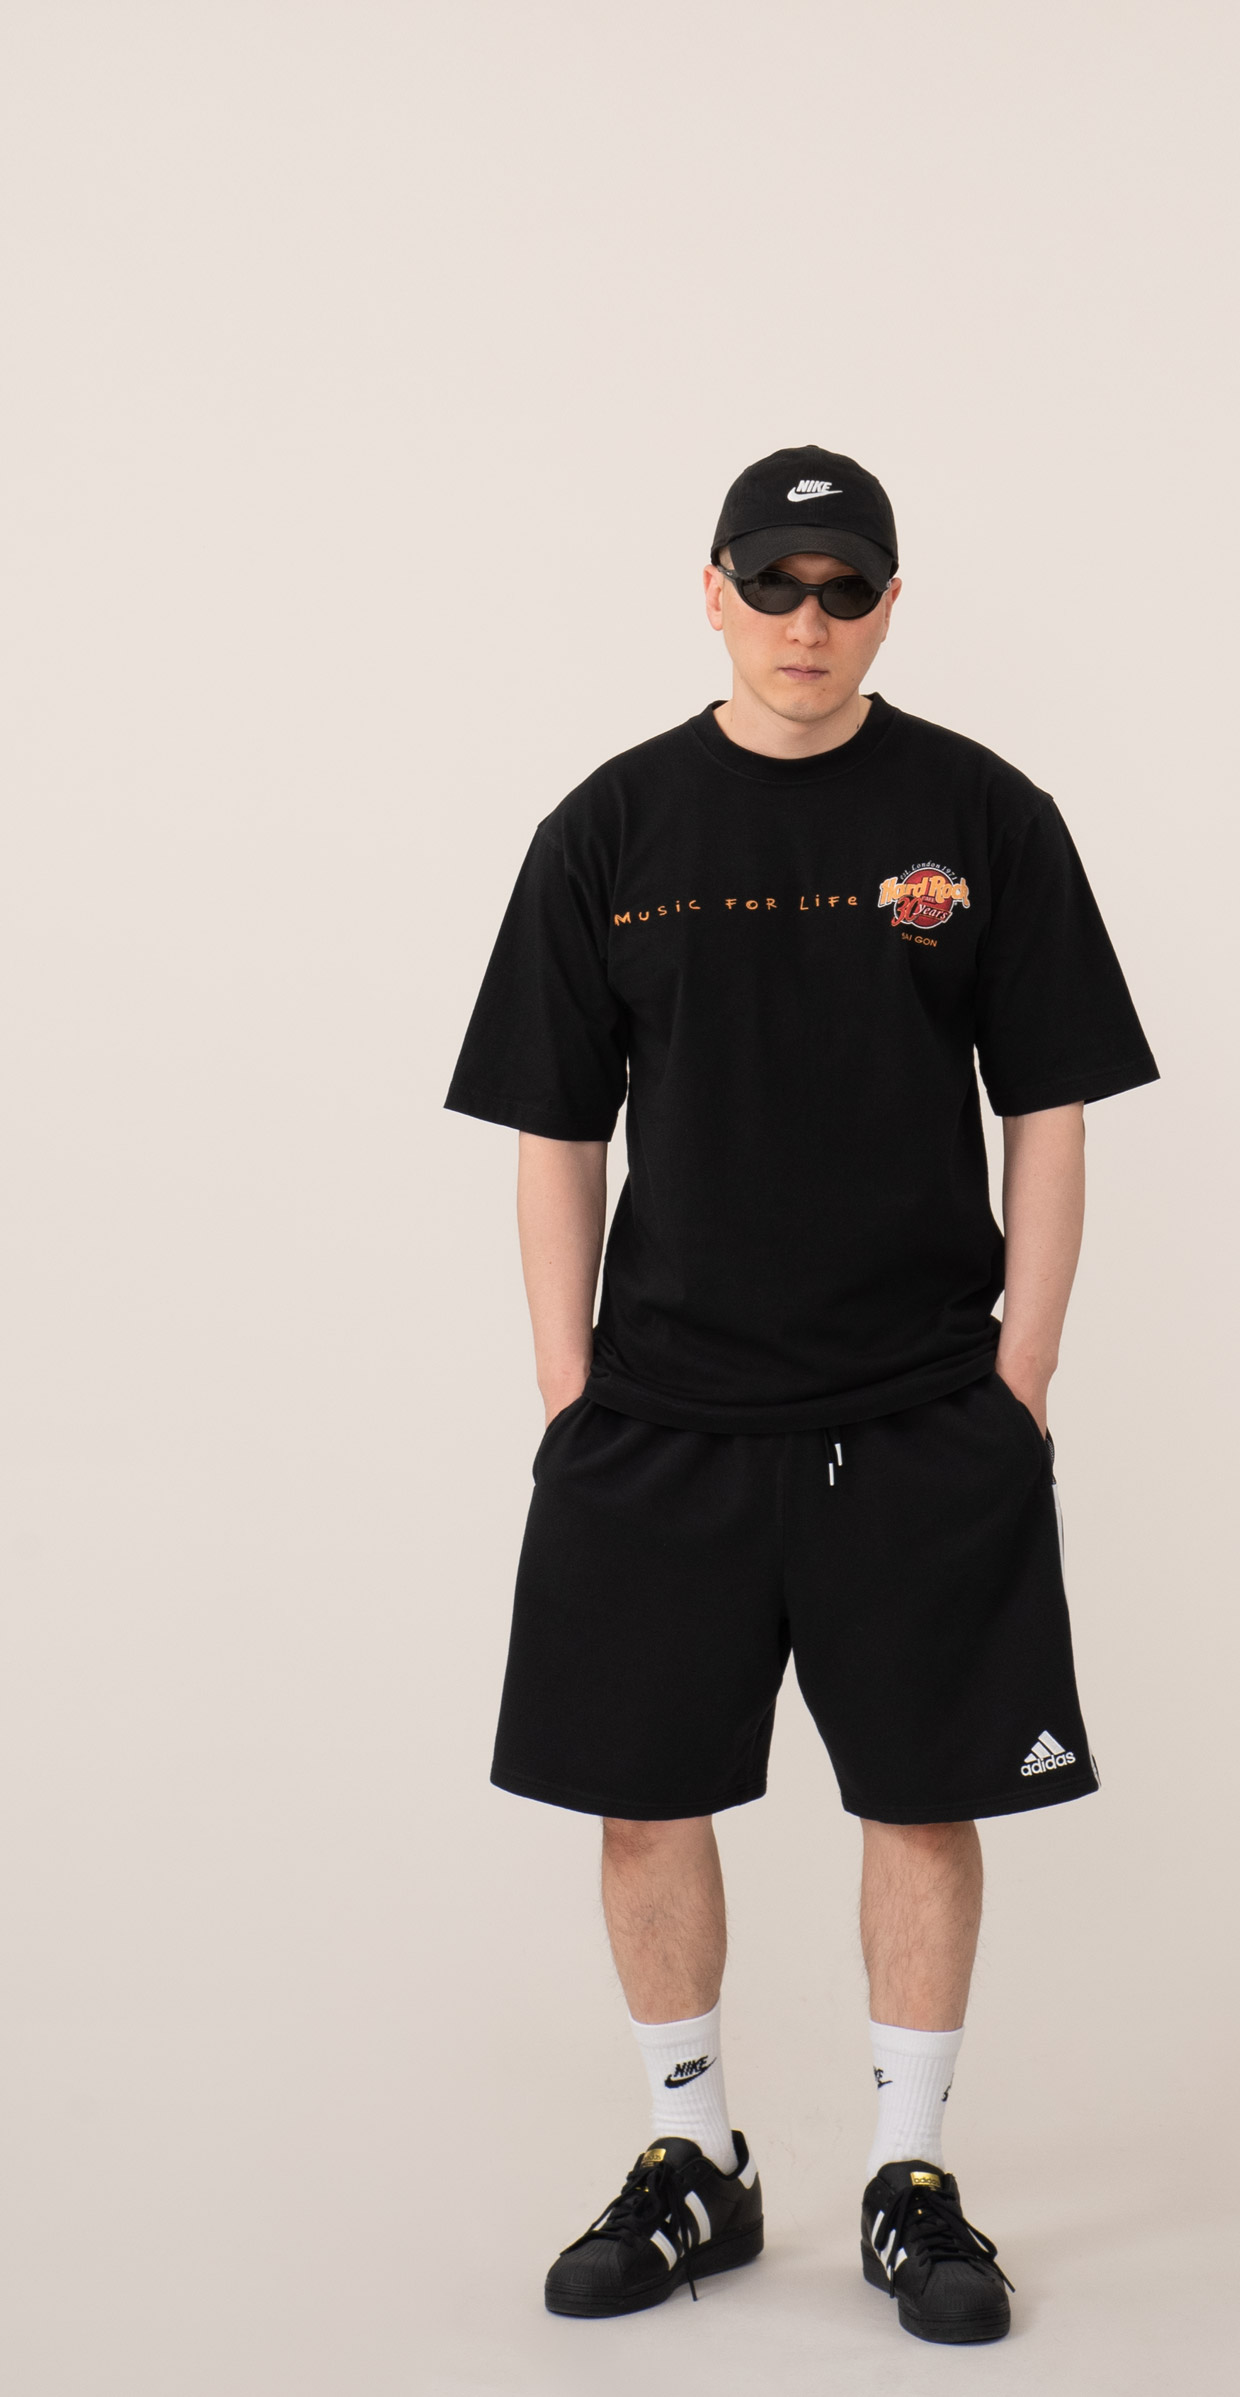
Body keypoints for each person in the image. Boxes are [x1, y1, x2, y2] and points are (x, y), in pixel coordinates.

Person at [444, 444, 1158, 2346]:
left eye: (846, 588)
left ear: (891, 605)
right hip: (661, 1415)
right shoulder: (610, 827)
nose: (808, 621)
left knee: (923, 1801)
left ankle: (909, 2177)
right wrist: (568, 1392)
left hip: (920, 1411)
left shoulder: (983, 814)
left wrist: (1019, 1377)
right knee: (642, 1799)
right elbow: (550, 1128)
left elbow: (1053, 1105)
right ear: (713, 593)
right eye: (775, 583)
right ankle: (695, 2157)